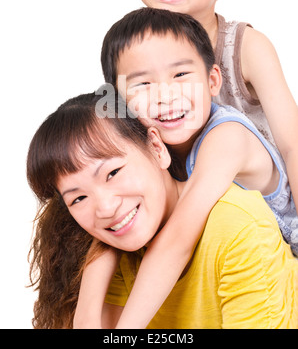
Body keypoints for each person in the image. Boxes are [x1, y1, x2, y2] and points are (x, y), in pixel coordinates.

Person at [27, 90, 298, 329]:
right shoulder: (116, 249)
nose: (106, 208)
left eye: (113, 173)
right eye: (78, 198)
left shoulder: (237, 227)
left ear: (157, 148)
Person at [131, 0, 298, 210]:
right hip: (193, 206)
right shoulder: (133, 49)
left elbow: (293, 145)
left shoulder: (245, 47)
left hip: (267, 211)